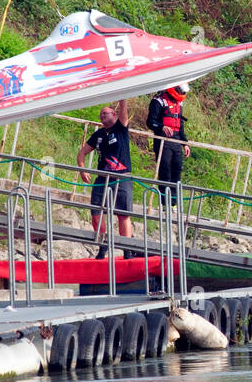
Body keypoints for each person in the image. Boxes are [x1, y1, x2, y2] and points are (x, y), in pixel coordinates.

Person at [78, 99, 134, 259]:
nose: (102, 116)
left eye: (105, 113)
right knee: (96, 212)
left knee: (123, 215)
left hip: (122, 178)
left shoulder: (121, 128)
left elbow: (124, 107)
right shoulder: (99, 134)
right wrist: (82, 169)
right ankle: (102, 247)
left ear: (114, 115)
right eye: (100, 114)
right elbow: (82, 153)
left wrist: (123, 95)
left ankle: (127, 250)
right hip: (102, 178)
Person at [147, 83, 192, 202]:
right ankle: (164, 202)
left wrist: (185, 143)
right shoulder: (159, 101)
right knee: (164, 170)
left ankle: (174, 203)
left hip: (176, 140)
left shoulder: (179, 103)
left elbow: (180, 125)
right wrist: (161, 127)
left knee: (177, 170)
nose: (182, 94)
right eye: (180, 91)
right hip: (163, 140)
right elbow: (150, 122)